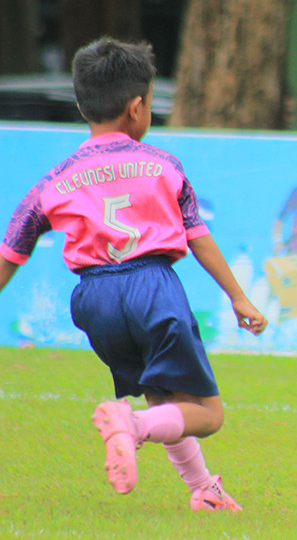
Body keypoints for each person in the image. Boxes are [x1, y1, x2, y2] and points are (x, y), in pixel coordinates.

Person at [0, 38, 268, 511]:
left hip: (94, 299)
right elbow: (197, 235)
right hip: (151, 286)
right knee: (207, 413)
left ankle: (202, 488)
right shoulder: (163, 166)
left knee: (161, 392)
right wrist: (238, 297)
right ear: (139, 106)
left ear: (82, 105)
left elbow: (12, 251)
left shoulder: (55, 179)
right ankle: (133, 425)